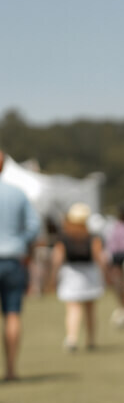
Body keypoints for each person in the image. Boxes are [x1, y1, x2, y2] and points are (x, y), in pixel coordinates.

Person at [0, 151, 41, 381]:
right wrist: (20, 242)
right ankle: (11, 369)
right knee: (13, 314)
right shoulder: (17, 193)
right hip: (13, 259)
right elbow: (34, 227)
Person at [51, 203, 106, 350]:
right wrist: (105, 273)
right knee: (90, 309)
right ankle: (90, 340)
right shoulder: (92, 236)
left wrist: (53, 276)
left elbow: (58, 257)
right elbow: (98, 256)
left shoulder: (64, 236)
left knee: (73, 307)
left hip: (71, 272)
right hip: (89, 272)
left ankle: (72, 338)